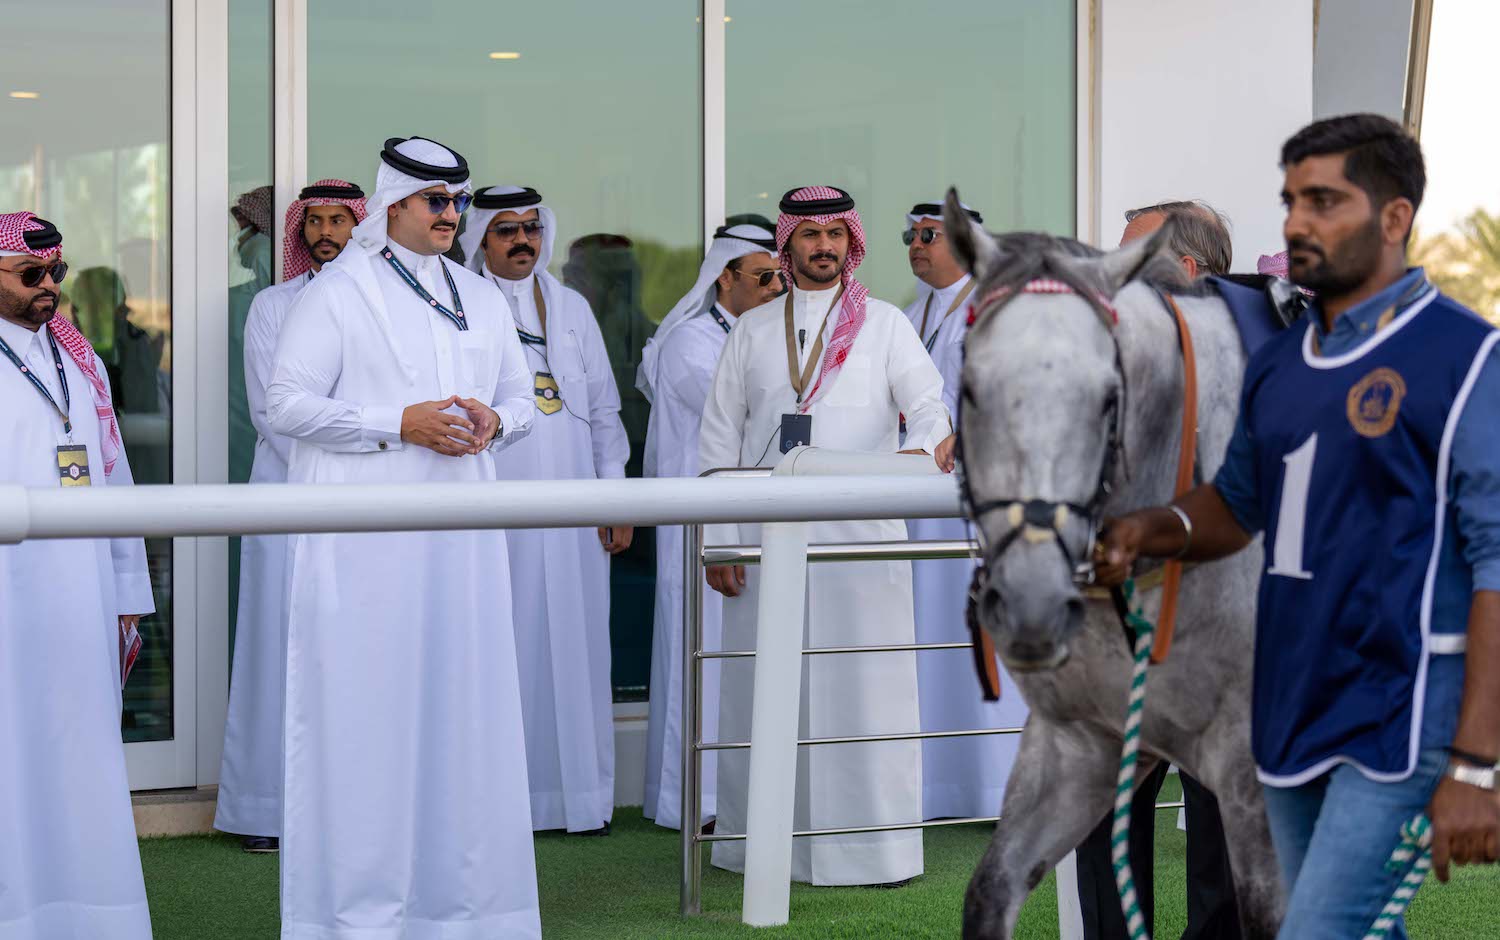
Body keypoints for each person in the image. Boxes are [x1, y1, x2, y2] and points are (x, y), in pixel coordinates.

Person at [1096, 114, 1500, 938]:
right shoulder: (1282, 360)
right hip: (1287, 709)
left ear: (1394, 217)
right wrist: (1149, 530)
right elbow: (1235, 505)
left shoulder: (1467, 359)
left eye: (1325, 202)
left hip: (1402, 714)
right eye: (1291, 202)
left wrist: (1476, 764)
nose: (1298, 224)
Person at [265, 136, 541, 938]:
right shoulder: (338, 293)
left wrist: (497, 422)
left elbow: (523, 402)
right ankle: (360, 919)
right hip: (366, 548)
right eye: (437, 202)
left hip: (463, 544)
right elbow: (286, 404)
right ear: (393, 206)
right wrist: (399, 423)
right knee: (366, 723)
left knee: (466, 716)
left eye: (459, 201)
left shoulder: (481, 296)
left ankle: (470, 914)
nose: (452, 214)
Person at [699, 186, 953, 886]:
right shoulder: (753, 329)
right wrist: (720, 538)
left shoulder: (886, 324)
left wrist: (920, 455)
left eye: (835, 234)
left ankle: (871, 851)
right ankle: (760, 847)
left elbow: (928, 408)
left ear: (852, 242)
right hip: (765, 537)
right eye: (810, 235)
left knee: (866, 690)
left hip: (860, 537)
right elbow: (718, 438)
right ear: (787, 244)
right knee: (764, 687)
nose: (823, 247)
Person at [1074, 198, 1243, 940]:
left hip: (1219, 634)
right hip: (1115, 626)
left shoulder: (1263, 354)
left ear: (1187, 267)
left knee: (1222, 820)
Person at [0, 212, 155, 939]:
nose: (49, 286)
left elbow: (115, 479)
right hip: (10, 594)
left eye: (56, 273)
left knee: (78, 752)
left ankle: (90, 916)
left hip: (82, 590)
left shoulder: (78, 356)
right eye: (30, 274)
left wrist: (127, 590)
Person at [460, 184, 630, 835]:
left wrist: (615, 495)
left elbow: (605, 409)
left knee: (577, 645)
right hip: (493, 507)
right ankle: (500, 805)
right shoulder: (461, 304)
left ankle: (579, 799)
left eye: (531, 228)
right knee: (500, 643)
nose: (522, 240)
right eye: (506, 229)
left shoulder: (571, 306)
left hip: (574, 510)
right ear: (481, 238)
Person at [215, 179, 366, 854]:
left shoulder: (384, 306)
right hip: (289, 495)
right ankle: (265, 811)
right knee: (279, 647)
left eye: (340, 220)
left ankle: (351, 813)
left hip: (369, 504)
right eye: (315, 221)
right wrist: (360, 458)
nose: (326, 232)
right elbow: (273, 414)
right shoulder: (273, 306)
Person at [636, 218, 783, 831]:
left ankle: (747, 794)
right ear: (725, 277)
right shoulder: (690, 341)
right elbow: (748, 414)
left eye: (781, 278)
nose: (777, 288)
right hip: (700, 524)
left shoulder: (768, 337)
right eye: (764, 277)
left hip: (754, 518)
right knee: (698, 658)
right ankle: (692, 801)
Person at [898, 200, 1030, 823]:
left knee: (983, 633)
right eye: (910, 236)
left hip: (981, 499)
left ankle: (996, 787)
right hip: (921, 502)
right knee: (930, 635)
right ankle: (938, 786)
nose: (915, 245)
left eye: (929, 236)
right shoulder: (908, 314)